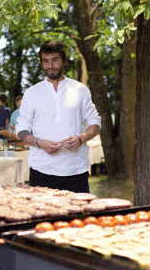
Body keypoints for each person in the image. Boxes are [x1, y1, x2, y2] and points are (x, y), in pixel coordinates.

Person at [16, 40, 101, 193]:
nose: (50, 65)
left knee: (80, 216)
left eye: (55, 60)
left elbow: (95, 123)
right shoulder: (31, 93)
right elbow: (21, 129)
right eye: (46, 61)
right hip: (41, 171)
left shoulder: (80, 90)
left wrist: (81, 138)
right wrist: (39, 142)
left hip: (75, 171)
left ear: (65, 61)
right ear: (42, 64)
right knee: (42, 217)